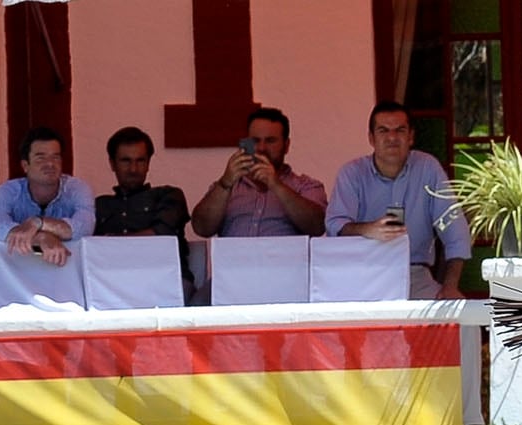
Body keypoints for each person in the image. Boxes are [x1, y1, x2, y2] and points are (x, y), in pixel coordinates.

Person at [325, 101, 471, 299]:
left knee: (462, 322)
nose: (392, 138)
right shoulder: (352, 173)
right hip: (362, 274)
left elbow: (456, 232)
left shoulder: (428, 168)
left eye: (400, 130)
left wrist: (450, 286)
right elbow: (335, 225)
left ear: (410, 136)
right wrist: (367, 230)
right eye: (383, 131)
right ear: (371, 138)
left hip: (415, 274)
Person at [189, 106, 326, 238]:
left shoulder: (306, 186)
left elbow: (318, 227)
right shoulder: (226, 186)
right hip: (235, 262)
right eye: (255, 141)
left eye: (270, 141)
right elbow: (201, 229)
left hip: (283, 262)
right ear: (246, 143)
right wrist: (225, 183)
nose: (261, 148)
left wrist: (276, 185)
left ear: (286, 145)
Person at [94, 126, 193, 297]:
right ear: (112, 163)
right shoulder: (99, 205)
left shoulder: (169, 195)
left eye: (140, 160)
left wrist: (111, 242)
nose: (133, 169)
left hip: (167, 282)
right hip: (112, 286)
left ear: (148, 164)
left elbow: (162, 235)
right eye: (126, 161)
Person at [0, 127, 95, 267]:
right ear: (25, 165)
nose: (50, 164)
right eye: (41, 158)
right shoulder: (8, 191)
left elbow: (84, 228)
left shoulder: (78, 188)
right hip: (19, 276)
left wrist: (38, 223)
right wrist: (41, 237)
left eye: (55, 157)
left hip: (67, 273)